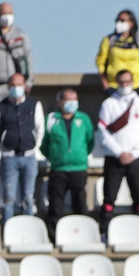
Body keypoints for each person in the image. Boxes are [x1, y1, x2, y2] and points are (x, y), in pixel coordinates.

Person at [96, 69, 139, 220]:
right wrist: (119, 152)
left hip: (137, 158)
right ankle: (104, 231)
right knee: (109, 198)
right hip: (114, 158)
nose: (125, 85)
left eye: (127, 82)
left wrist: (133, 153)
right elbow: (103, 132)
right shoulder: (108, 104)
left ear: (133, 82)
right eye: (121, 82)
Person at [0, 73, 44, 221]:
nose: (16, 88)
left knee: (28, 197)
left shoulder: (34, 105)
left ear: (25, 86)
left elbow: (40, 129)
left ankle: (28, 230)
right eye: (13, 85)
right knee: (9, 199)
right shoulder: (0, 107)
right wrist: (5, 146)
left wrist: (33, 146)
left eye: (19, 85)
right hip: (9, 159)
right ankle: (8, 232)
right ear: (8, 87)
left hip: (29, 158)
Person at [42, 88, 93, 229]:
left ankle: (83, 235)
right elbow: (44, 143)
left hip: (79, 169)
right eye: (68, 100)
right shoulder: (51, 119)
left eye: (74, 100)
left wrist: (79, 156)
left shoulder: (84, 119)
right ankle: (53, 238)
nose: (72, 103)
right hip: (58, 170)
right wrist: (55, 157)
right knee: (55, 207)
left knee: (81, 206)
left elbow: (90, 142)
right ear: (60, 101)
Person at [97, 9, 139, 91]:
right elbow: (100, 62)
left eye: (122, 21)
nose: (119, 24)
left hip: (136, 85)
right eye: (117, 21)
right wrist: (105, 84)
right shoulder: (109, 40)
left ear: (131, 23)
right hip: (114, 85)